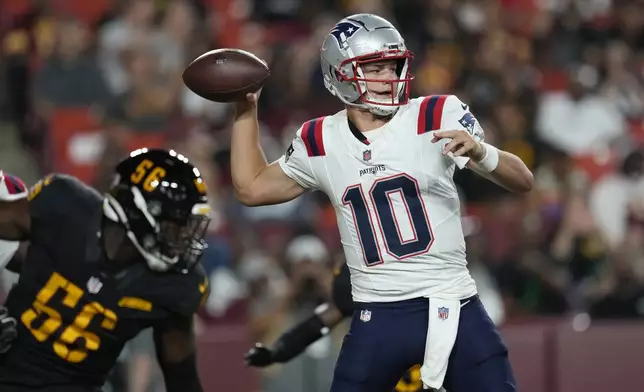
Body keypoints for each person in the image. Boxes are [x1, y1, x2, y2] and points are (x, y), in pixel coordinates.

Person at [231, 13, 533, 392]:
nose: (390, 78)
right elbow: (251, 188)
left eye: (393, 67)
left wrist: (481, 152)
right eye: (375, 68)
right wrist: (245, 111)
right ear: (340, 74)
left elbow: (523, 180)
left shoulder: (434, 114)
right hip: (377, 313)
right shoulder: (319, 139)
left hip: (452, 303)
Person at [0, 148, 211, 392]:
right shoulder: (65, 209)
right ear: (139, 212)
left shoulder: (176, 286)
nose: (183, 236)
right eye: (176, 224)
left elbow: (182, 378)